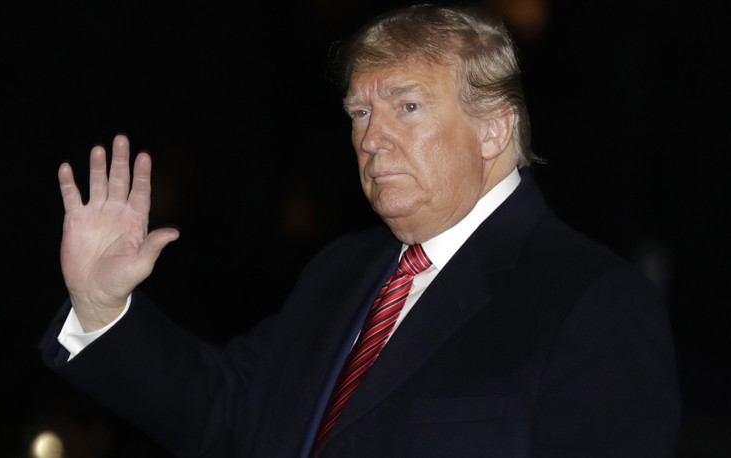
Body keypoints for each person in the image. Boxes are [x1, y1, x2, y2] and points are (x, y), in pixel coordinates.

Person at [39, 3, 681, 457]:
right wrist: (101, 306)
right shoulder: (341, 271)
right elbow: (228, 414)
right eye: (359, 112)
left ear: (494, 128)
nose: (371, 139)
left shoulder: (592, 300)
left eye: (406, 107)